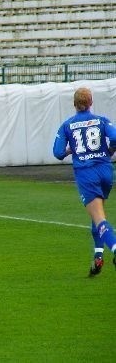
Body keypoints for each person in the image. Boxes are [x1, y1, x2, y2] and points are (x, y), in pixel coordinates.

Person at [52, 87, 116, 276]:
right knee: (97, 214)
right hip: (105, 171)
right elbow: (114, 138)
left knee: (98, 217)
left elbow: (57, 153)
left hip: (86, 174)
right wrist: (110, 151)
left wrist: (69, 151)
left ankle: (113, 247)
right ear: (90, 102)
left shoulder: (67, 125)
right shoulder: (102, 120)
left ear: (75, 104)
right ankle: (98, 257)